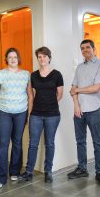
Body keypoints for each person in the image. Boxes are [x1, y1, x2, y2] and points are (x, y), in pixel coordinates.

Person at [0, 47, 33, 189]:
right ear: (6, 59)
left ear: (18, 59)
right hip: (3, 112)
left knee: (17, 142)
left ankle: (14, 171)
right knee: (3, 143)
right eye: (10, 57)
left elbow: (30, 95)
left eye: (15, 57)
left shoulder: (26, 74)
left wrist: (29, 114)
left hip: (21, 112)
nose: (13, 59)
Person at [68, 39, 100, 186]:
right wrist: (76, 106)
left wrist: (78, 90)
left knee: (97, 142)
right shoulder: (79, 67)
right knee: (80, 141)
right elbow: (72, 88)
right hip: (79, 111)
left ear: (93, 49)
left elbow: (96, 88)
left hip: (94, 111)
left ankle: (99, 173)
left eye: (87, 47)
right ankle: (82, 168)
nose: (85, 50)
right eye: (82, 48)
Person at [21, 46, 63, 183]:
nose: (42, 58)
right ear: (37, 59)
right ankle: (29, 172)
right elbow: (31, 97)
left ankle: (48, 172)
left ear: (49, 58)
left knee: (49, 143)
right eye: (39, 56)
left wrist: (49, 104)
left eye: (44, 56)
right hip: (36, 115)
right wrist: (29, 114)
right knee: (33, 144)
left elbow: (60, 95)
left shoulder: (57, 74)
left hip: (52, 115)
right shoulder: (33, 75)